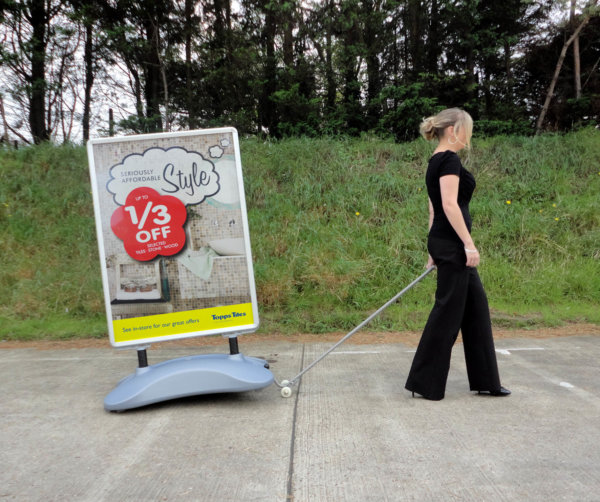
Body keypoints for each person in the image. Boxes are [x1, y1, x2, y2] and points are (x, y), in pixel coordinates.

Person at [405, 108, 510, 401]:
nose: (469, 135)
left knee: (476, 309)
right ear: (453, 130)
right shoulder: (448, 159)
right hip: (453, 246)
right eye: (467, 129)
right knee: (447, 314)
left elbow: (433, 208)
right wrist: (468, 244)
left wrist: (432, 247)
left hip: (444, 243)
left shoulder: (434, 160)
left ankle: (486, 380)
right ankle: (424, 383)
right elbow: (449, 206)